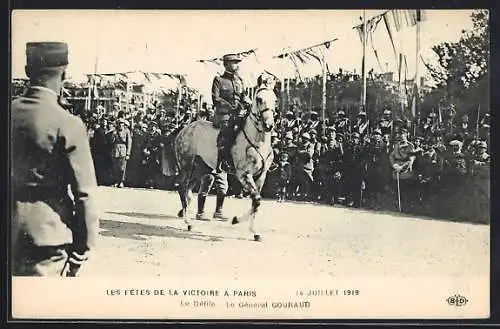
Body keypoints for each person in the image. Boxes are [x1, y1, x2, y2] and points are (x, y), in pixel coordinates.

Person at [12, 42, 99, 276]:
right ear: (64, 74)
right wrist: (83, 248)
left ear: (27, 71)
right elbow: (84, 194)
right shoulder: (68, 124)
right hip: (46, 238)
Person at [212, 53, 251, 174]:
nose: (237, 65)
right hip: (224, 115)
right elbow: (216, 98)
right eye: (234, 62)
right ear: (226, 64)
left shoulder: (240, 81)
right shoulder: (219, 80)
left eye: (237, 63)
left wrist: (248, 102)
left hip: (239, 114)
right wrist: (231, 107)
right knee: (227, 132)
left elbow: (244, 96)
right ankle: (224, 161)